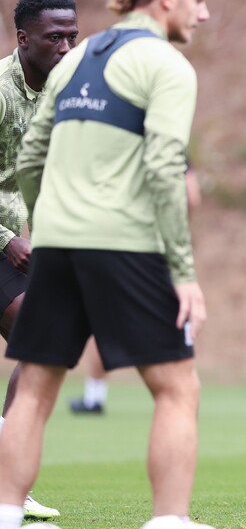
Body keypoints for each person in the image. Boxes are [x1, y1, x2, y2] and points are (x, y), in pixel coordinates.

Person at [0, 0, 209, 529]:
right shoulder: (167, 67)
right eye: (198, 0)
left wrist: (51, 222)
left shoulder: (76, 59)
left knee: (35, 391)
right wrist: (183, 270)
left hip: (59, 243)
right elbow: (168, 167)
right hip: (123, 244)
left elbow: (32, 159)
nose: (205, 12)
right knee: (176, 389)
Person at [0, 0, 80, 520]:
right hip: (4, 240)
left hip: (12, 237)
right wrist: (9, 240)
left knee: (41, 340)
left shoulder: (62, 90)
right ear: (23, 38)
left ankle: (7, 475)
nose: (67, 47)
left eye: (73, 36)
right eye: (55, 37)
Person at [69, 166, 202, 415]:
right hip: (159, 250)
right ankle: (179, 392)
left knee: (103, 323)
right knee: (171, 321)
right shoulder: (169, 144)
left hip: (123, 247)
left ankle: (94, 397)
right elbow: (191, 195)